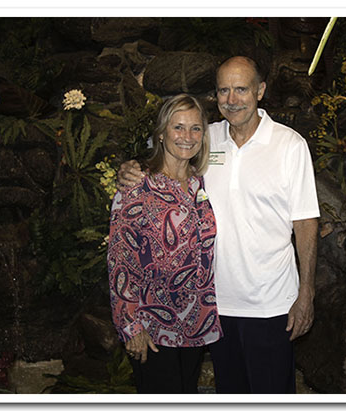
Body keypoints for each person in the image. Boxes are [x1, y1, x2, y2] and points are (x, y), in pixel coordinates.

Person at [118, 56, 319, 394]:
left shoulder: (289, 145)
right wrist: (131, 167)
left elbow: (306, 223)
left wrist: (307, 292)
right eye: (224, 90)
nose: (232, 99)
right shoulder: (205, 139)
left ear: (260, 91)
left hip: (270, 304)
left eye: (241, 89)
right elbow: (163, 149)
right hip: (214, 307)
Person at [108, 94, 221, 394]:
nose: (187, 136)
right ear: (161, 133)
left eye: (195, 128)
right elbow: (120, 261)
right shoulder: (137, 186)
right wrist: (130, 326)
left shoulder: (199, 183)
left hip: (195, 322)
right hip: (152, 327)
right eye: (178, 127)